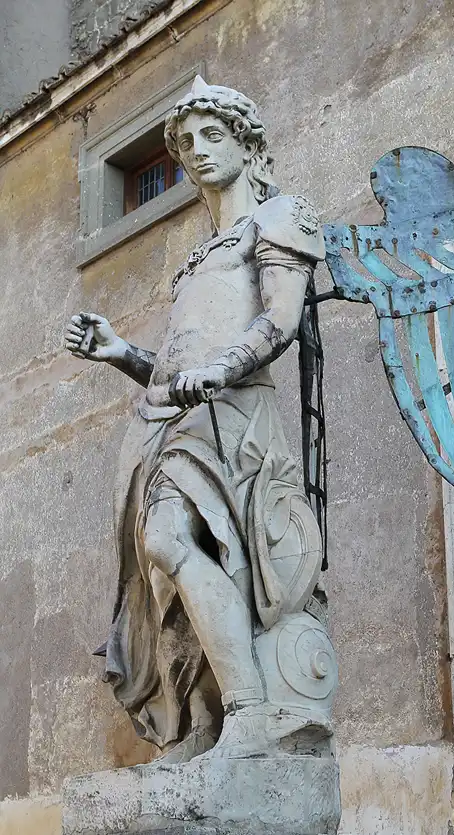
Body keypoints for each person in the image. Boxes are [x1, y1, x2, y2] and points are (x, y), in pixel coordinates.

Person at [64, 76, 334, 763]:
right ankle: (204, 723)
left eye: (213, 135)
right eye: (186, 144)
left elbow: (280, 320)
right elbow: (178, 362)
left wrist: (222, 370)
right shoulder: (195, 262)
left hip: (237, 418)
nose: (198, 151)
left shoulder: (279, 219)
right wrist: (122, 352)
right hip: (172, 419)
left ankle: (251, 712)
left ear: (246, 144)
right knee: (167, 580)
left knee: (170, 540)